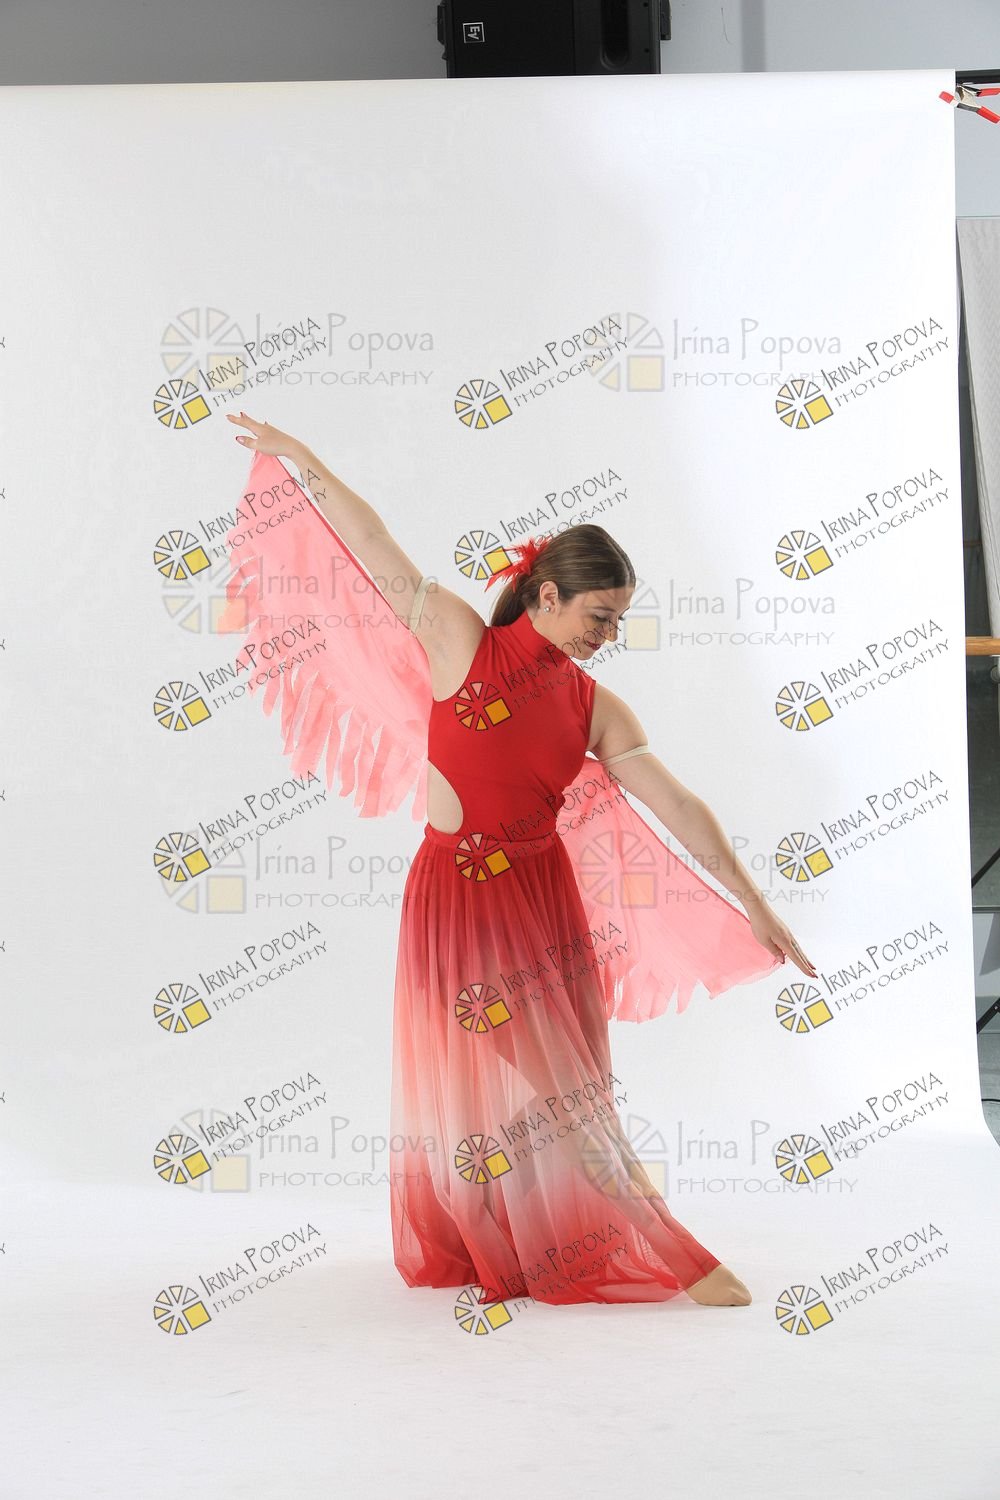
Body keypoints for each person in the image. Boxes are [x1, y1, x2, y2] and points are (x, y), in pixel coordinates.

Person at [225, 410, 818, 1310]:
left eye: (617, 620)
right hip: (458, 895)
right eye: (598, 615)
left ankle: (567, 1232)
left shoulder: (595, 706)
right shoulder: (460, 640)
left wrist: (754, 902)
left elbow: (678, 806)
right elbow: (372, 542)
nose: (606, 634)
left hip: (544, 898)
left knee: (575, 1083)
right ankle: (661, 1245)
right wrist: (303, 458)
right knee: (537, 1083)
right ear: (545, 595)